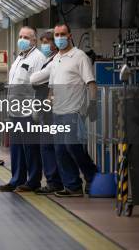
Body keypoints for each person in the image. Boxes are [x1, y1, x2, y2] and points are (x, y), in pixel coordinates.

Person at [48, 23, 99, 197]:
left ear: (70, 35)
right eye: (57, 34)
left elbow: (91, 83)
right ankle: (73, 186)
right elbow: (52, 88)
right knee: (60, 150)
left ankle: (92, 176)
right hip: (57, 112)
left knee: (73, 146)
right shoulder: (55, 59)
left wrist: (93, 105)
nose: (60, 37)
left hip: (73, 112)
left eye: (63, 34)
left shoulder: (79, 56)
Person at [0, 26, 46, 193]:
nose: (22, 40)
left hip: (28, 112)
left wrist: (36, 109)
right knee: (17, 148)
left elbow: (41, 85)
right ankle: (16, 179)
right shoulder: (19, 58)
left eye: (26, 37)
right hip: (14, 111)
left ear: (34, 40)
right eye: (20, 36)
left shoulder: (38, 58)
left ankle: (33, 181)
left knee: (30, 148)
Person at [29, 31, 63, 194]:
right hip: (46, 108)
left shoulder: (55, 61)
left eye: (46, 41)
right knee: (48, 146)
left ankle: (54, 181)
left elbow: (34, 79)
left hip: (51, 109)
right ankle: (55, 180)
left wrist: (35, 77)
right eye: (42, 41)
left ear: (54, 43)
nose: (44, 45)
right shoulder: (50, 60)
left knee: (48, 146)